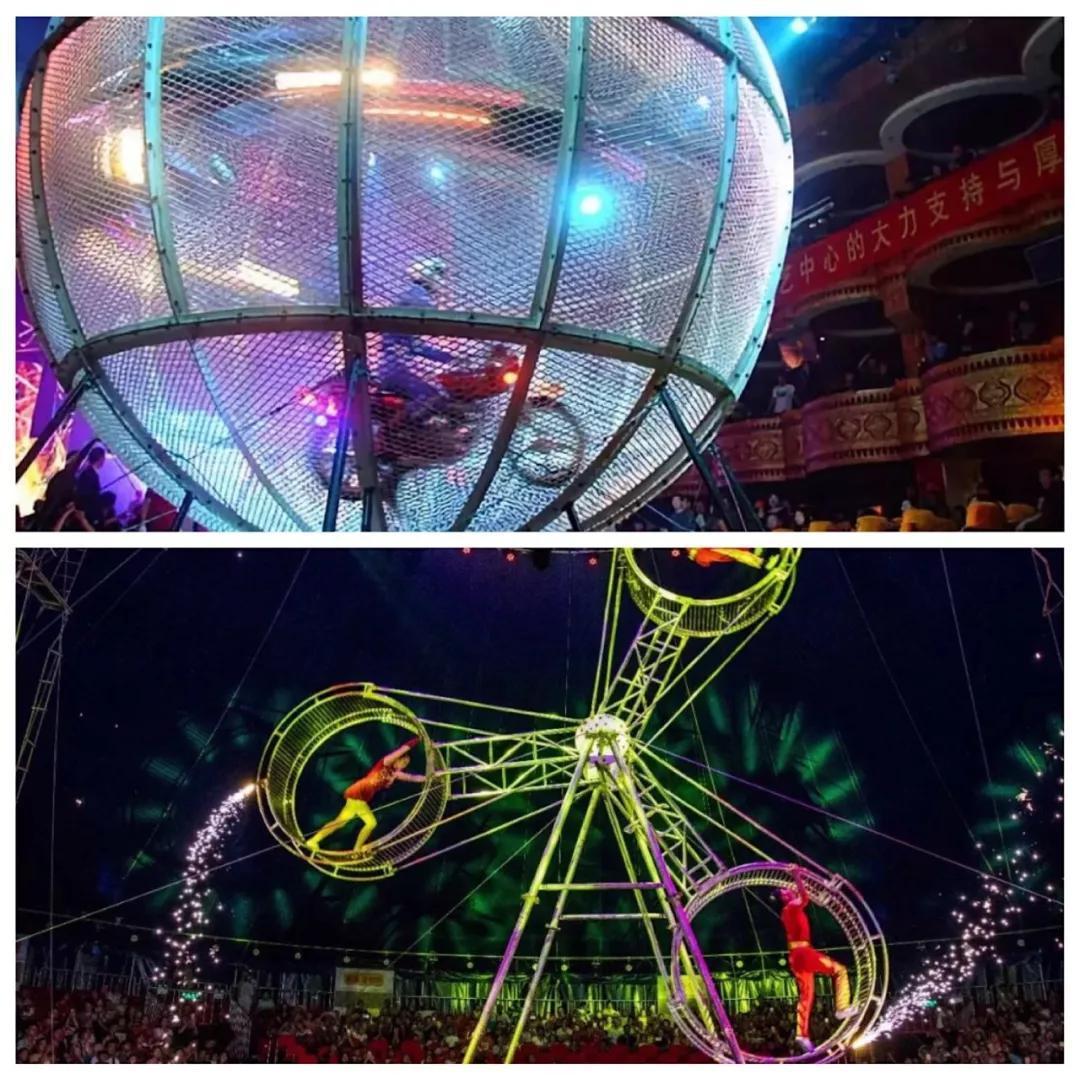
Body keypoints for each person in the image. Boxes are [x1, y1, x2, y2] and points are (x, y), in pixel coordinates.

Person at [778, 865, 855, 1053]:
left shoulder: (789, 910)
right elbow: (804, 897)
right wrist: (797, 876)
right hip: (804, 953)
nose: (790, 890)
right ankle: (842, 1008)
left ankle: (801, 1035)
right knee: (840, 970)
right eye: (786, 890)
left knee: (806, 996)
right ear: (785, 897)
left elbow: (803, 895)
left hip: (796, 957)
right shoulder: (791, 907)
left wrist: (799, 878)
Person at [307, 736, 424, 855]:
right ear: (397, 759)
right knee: (370, 823)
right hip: (359, 791)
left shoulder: (395, 774)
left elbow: (412, 777)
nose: (404, 766)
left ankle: (314, 840)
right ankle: (356, 849)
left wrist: (430, 777)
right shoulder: (386, 762)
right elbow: (403, 749)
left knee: (341, 822)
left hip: (363, 797)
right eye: (403, 762)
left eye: (406, 764)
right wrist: (418, 740)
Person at [379, 258, 457, 424]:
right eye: (438, 275)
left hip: (395, 365)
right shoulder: (418, 297)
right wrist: (450, 357)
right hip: (397, 368)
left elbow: (417, 344)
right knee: (431, 397)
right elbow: (419, 345)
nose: (441, 282)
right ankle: (394, 430)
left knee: (434, 392)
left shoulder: (411, 296)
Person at [74, 445, 108, 527]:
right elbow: (83, 493)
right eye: (104, 458)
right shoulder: (90, 475)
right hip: (80, 513)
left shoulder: (87, 471)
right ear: (100, 459)